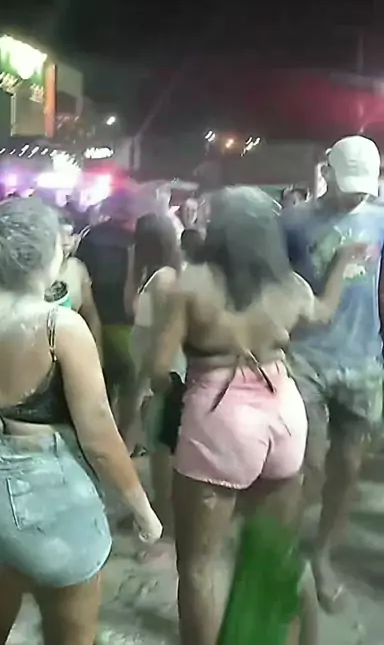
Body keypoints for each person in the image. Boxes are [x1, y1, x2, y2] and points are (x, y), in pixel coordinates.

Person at [0, 197, 161, 645]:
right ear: (46, 253)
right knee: (70, 634)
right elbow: (99, 437)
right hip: (47, 493)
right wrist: (144, 513)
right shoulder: (59, 326)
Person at [150, 186, 365, 645]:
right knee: (272, 550)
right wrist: (341, 265)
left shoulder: (192, 284)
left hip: (219, 414)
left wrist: (171, 396)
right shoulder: (290, 285)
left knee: (199, 564)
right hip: (284, 411)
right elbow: (323, 314)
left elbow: (157, 369)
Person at [282, 135, 384, 613]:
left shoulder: (379, 218)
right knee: (309, 465)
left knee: (348, 467)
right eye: (348, 186)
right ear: (327, 172)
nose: (355, 196)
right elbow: (274, 285)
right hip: (306, 358)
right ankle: (284, 553)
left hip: (363, 359)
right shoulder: (294, 221)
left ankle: (323, 555)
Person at [130, 214, 185, 534]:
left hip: (165, 375)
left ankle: (166, 520)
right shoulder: (157, 276)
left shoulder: (164, 279)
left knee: (162, 451)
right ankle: (161, 510)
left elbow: (166, 330)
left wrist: (156, 378)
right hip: (157, 373)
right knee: (157, 447)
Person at [77, 191, 136, 437]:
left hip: (96, 315)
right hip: (127, 319)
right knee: (130, 382)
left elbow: (81, 272)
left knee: (102, 379)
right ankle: (123, 435)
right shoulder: (136, 238)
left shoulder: (92, 236)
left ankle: (101, 431)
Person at [57, 215, 102, 353]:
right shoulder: (37, 270)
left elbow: (90, 314)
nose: (66, 241)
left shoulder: (77, 268)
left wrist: (97, 351)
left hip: (72, 346)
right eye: (60, 235)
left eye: (70, 235)